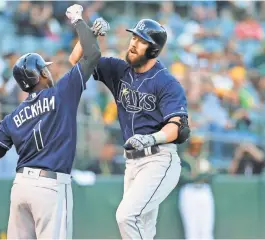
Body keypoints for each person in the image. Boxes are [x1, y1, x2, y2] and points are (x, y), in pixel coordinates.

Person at [0, 4, 101, 239]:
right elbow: (93, 55)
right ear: (42, 74)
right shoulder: (61, 93)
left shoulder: (11, 118)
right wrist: (77, 21)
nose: (50, 72)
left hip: (21, 187)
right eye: (47, 69)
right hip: (50, 187)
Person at [70, 18, 190, 239]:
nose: (133, 43)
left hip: (159, 159)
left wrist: (152, 138)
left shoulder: (166, 82)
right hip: (132, 162)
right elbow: (76, 60)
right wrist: (89, 34)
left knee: (126, 216)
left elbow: (178, 126)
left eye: (141, 40)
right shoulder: (119, 70)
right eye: (133, 37)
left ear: (153, 50)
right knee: (143, 229)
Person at [178, 136, 215, 239]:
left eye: (199, 144)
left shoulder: (204, 157)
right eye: (194, 144)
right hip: (189, 191)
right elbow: (183, 176)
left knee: (207, 227)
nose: (197, 146)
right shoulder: (184, 159)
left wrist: (204, 173)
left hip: (204, 190)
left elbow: (212, 172)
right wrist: (198, 175)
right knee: (191, 229)